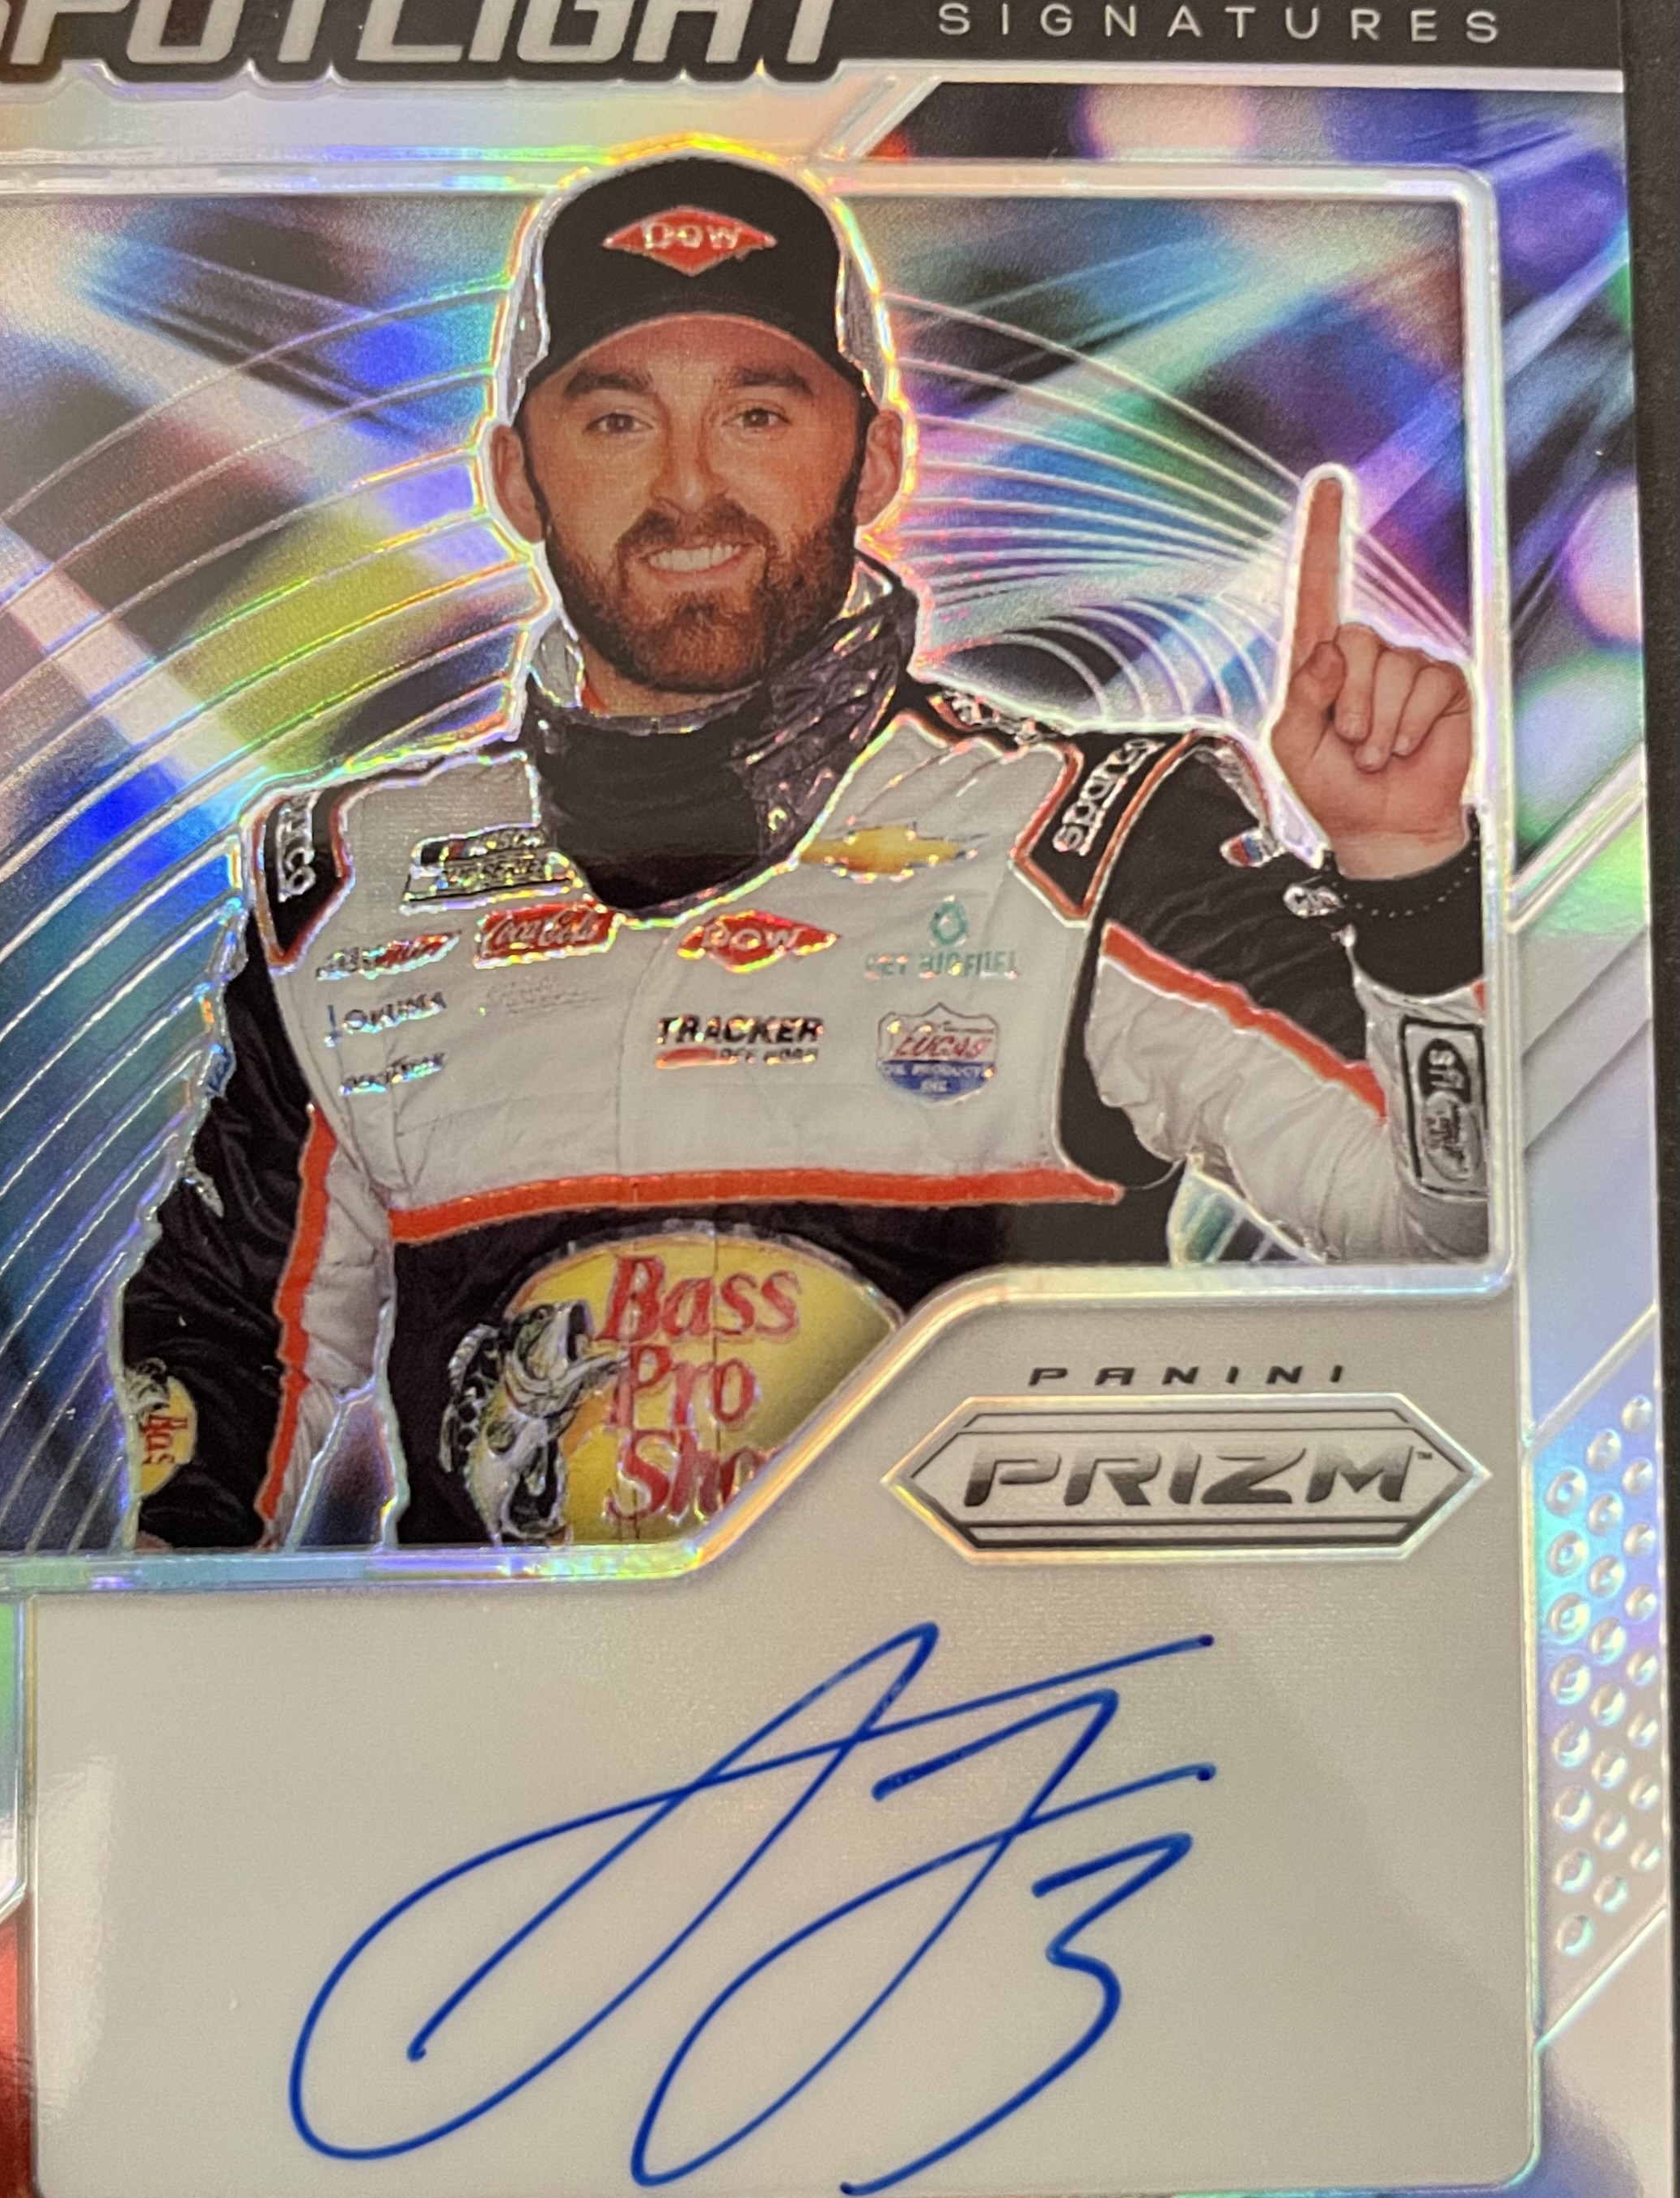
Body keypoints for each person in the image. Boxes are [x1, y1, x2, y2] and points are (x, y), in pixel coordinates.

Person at [119, 151, 1488, 1553]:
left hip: (1001, 1684)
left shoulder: (1094, 840)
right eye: (617, 419)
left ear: (876, 458)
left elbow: (1440, 1220)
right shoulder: (353, 891)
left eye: (759, 413)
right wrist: (166, 1634)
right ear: (514, 477)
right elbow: (223, 1346)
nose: (689, 489)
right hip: (523, 1691)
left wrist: (1411, 875)